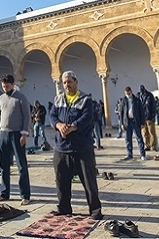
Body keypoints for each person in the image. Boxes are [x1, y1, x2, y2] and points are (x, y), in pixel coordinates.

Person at [48, 70, 102, 219]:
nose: (67, 85)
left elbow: (87, 117)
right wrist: (59, 125)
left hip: (81, 147)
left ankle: (95, 210)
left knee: (88, 180)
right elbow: (52, 115)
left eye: (69, 82)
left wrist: (72, 127)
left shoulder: (85, 99)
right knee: (61, 180)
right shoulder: (59, 99)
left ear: (76, 82)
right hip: (62, 147)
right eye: (64, 83)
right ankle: (64, 207)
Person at [0, 74, 32, 205]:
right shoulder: (0, 98)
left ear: (12, 84)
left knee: (21, 165)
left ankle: (25, 195)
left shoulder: (21, 97)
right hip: (4, 133)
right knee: (3, 165)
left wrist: (24, 134)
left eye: (7, 86)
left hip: (17, 134)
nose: (5, 88)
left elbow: (27, 116)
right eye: (3, 86)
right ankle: (4, 193)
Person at [119, 86, 146, 161]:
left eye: (128, 93)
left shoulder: (137, 100)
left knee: (139, 138)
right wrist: (121, 123)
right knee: (128, 139)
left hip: (135, 121)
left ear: (131, 91)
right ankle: (129, 154)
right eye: (126, 93)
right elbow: (121, 113)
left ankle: (142, 154)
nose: (127, 94)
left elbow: (141, 112)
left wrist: (142, 123)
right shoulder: (124, 101)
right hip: (127, 122)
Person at [138, 85, 158, 152]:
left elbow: (153, 107)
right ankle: (147, 145)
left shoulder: (149, 95)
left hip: (149, 117)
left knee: (151, 132)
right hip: (143, 118)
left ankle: (153, 145)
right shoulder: (139, 97)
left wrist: (153, 115)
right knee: (145, 133)